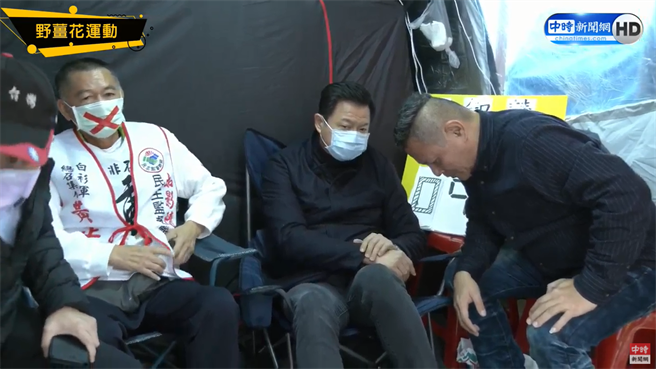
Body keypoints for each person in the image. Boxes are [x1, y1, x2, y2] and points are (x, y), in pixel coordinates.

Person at [394, 93, 656, 369]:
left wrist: (589, 287)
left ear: (456, 131)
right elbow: (485, 219)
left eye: (436, 160)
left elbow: (626, 194)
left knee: (550, 337)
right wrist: (466, 269)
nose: (437, 172)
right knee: (467, 282)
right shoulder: (475, 161)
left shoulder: (533, 142)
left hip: (634, 261)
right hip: (560, 258)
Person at [48, 57, 240, 369]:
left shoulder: (155, 137)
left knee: (217, 306)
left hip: (156, 279)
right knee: (91, 335)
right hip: (90, 285)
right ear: (66, 109)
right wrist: (111, 254)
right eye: (87, 98)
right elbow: (45, 236)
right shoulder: (51, 156)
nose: (101, 104)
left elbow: (210, 186)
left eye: (109, 94)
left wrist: (193, 226)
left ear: (121, 94)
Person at [261, 82, 437, 369]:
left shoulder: (378, 166)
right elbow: (288, 238)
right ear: (320, 123)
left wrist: (394, 249)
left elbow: (412, 233)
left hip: (368, 285)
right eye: (345, 126)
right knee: (311, 302)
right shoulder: (283, 166)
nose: (355, 136)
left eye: (363, 129)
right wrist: (363, 256)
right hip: (311, 282)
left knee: (380, 276)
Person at [0, 54, 143, 368]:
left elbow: (40, 242)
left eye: (26, 157)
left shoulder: (35, 174)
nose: (16, 169)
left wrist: (65, 304)